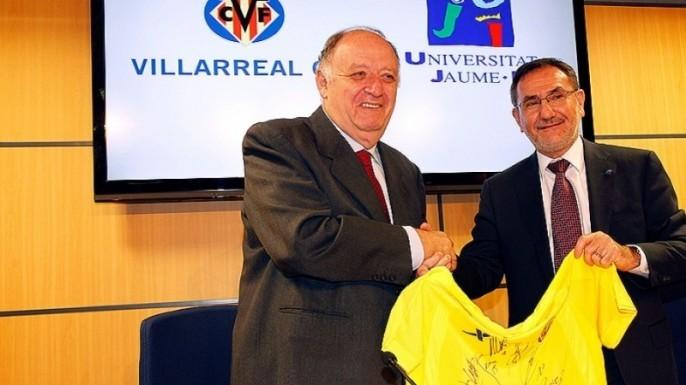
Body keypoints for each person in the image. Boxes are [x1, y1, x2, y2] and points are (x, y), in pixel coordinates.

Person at [231, 26, 456, 385]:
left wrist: (432, 263)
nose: (376, 88)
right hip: (307, 369)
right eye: (359, 74)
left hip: (394, 367)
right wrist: (418, 245)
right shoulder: (278, 143)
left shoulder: (405, 170)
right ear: (322, 82)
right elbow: (304, 241)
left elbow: (396, 261)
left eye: (388, 77)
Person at [452, 57, 686, 385]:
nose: (546, 112)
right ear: (518, 118)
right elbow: (482, 271)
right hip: (545, 362)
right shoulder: (500, 190)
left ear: (580, 101)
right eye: (531, 103)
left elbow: (681, 249)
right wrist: (437, 264)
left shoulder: (638, 167)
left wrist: (628, 255)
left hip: (632, 355)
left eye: (556, 96)